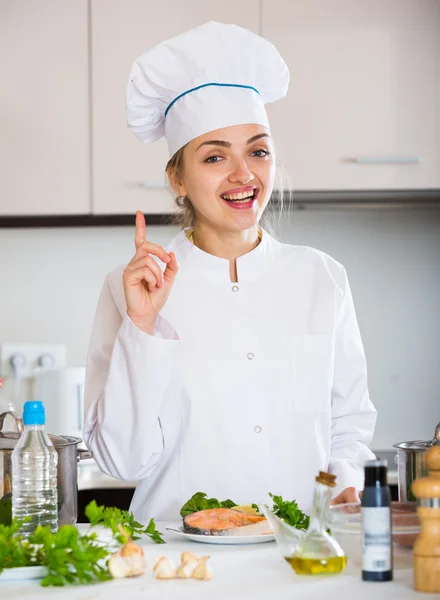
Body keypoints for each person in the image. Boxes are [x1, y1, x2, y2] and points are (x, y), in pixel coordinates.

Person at [83, 21, 377, 523]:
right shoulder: (133, 286)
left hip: (297, 557)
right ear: (177, 177)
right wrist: (143, 328)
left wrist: (341, 486)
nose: (244, 175)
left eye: (258, 151)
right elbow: (122, 460)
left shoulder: (321, 278)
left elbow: (346, 430)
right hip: (177, 564)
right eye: (215, 156)